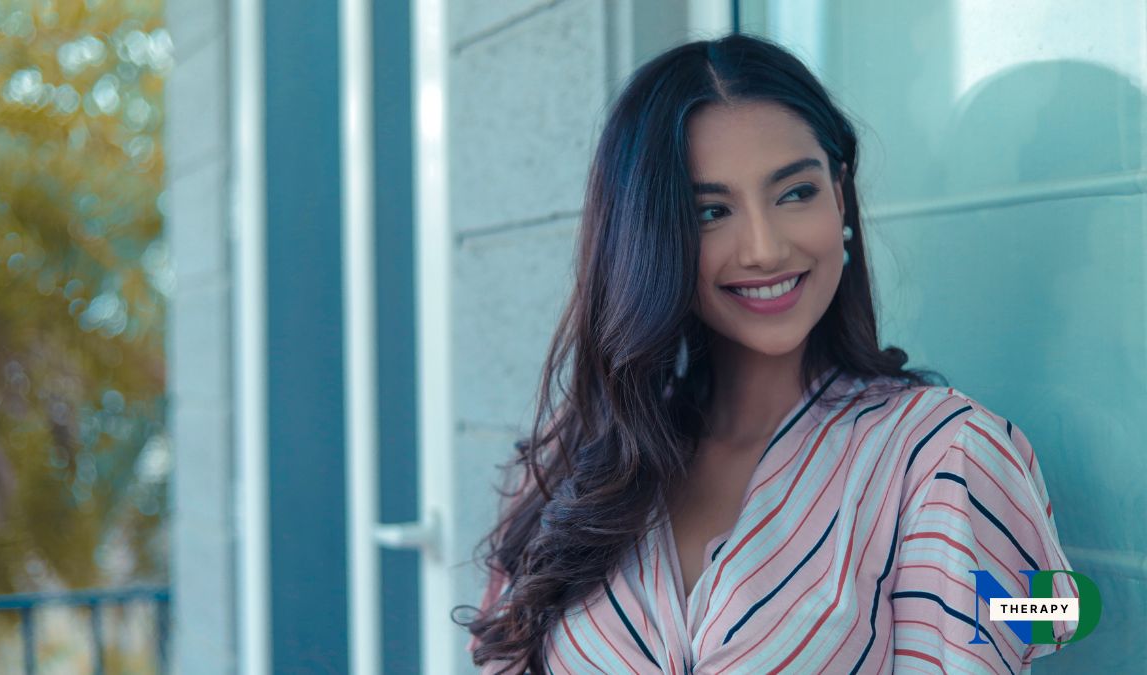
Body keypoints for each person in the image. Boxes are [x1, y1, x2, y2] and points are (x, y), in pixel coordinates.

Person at [454, 33, 1077, 674]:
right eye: (709, 212)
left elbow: (1056, 612)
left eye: (795, 193)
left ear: (840, 195)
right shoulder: (575, 459)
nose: (764, 248)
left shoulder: (941, 457)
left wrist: (1043, 600)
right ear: (649, 236)